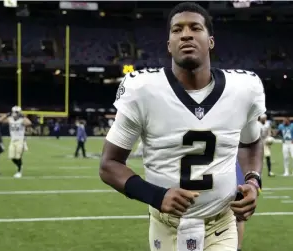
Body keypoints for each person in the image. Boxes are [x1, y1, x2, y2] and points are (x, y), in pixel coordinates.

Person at [100, 2, 265, 251]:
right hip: (167, 225)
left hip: (221, 224)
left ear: (210, 41)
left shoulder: (243, 89)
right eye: (177, 30)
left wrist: (253, 181)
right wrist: (156, 195)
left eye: (195, 27)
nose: (186, 34)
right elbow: (109, 165)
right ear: (169, 45)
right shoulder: (143, 90)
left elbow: (251, 143)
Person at [0, 106, 32, 178]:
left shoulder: (22, 120)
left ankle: (19, 171)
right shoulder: (10, 119)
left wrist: (23, 116)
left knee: (18, 156)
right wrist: (7, 114)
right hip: (12, 140)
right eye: (13, 112)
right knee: (11, 157)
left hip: (20, 140)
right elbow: (0, 120)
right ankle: (20, 165)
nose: (14, 113)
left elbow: (29, 123)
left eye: (16, 112)